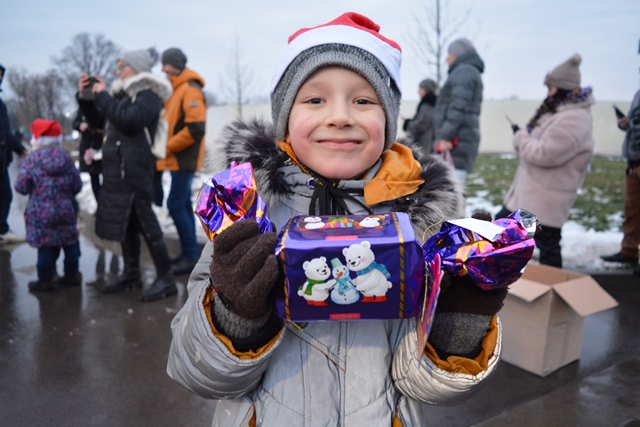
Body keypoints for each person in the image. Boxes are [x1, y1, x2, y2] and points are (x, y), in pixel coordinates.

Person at [167, 13, 508, 425]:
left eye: (363, 101)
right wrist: (235, 317)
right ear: (285, 120)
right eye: (314, 100)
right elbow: (199, 372)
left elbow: (427, 386)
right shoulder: (247, 216)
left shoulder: (422, 228)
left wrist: (460, 317)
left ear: (388, 119)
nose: (340, 116)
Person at [77, 47, 178, 302]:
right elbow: (101, 122)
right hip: (120, 172)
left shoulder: (147, 95)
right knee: (128, 223)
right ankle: (132, 273)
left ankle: (166, 279)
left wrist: (103, 97)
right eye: (117, 67)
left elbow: (130, 121)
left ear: (137, 68)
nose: (117, 71)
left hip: (134, 171)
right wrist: (87, 97)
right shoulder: (123, 96)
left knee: (147, 223)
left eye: (122, 66)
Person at [495, 53, 595, 268]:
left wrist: (521, 137)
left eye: (551, 87)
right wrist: (524, 136)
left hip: (542, 202)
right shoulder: (559, 112)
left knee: (545, 246)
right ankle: (500, 282)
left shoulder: (574, 118)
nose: (548, 93)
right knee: (502, 233)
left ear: (563, 88)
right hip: (532, 198)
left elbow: (544, 153)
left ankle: (554, 293)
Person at [14, 119, 83, 291]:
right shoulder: (66, 159)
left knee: (45, 245)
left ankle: (45, 281)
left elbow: (21, 186)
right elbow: (77, 185)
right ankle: (71, 275)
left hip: (41, 213)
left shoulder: (32, 161)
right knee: (69, 243)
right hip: (66, 210)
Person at [156, 47, 207, 276]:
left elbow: (196, 127)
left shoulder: (190, 89)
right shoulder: (175, 90)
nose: (162, 68)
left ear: (176, 64)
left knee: (176, 204)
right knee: (182, 204)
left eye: (166, 64)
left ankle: (189, 255)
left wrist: (167, 147)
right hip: (177, 159)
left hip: (182, 159)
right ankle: (189, 253)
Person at [601, 69, 640, 272]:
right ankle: (629, 251)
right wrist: (626, 124)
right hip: (634, 162)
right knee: (632, 212)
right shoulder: (637, 94)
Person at [433, 38, 484, 182]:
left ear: (458, 53)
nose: (446, 58)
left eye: (449, 53)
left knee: (450, 194)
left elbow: (458, 106)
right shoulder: (465, 71)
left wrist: (446, 136)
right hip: (459, 142)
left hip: (456, 143)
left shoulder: (464, 72)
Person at [0, 64, 28, 244]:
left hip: (2, 160)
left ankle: (1, 229)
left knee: (5, 195)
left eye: (1, 75)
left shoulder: (1, 104)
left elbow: (6, 133)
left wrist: (20, 149)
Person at [72, 106, 105, 201]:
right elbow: (75, 123)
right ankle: (100, 204)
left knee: (107, 177)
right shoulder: (83, 109)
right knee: (94, 178)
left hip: (102, 146)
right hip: (88, 148)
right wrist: (80, 125)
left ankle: (106, 203)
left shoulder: (103, 105)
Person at [402, 78, 437, 153]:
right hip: (426, 145)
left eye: (421, 88)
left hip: (423, 146)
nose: (418, 91)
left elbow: (421, 125)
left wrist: (408, 123)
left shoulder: (427, 105)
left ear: (426, 89)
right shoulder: (431, 104)